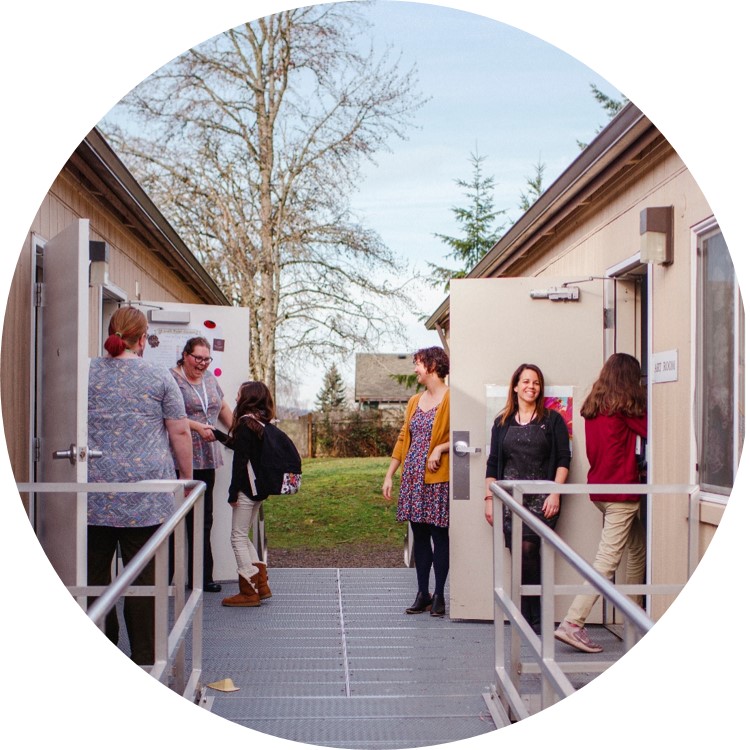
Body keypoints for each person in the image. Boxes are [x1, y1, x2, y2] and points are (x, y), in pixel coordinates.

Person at [87, 306, 193, 665]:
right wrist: (186, 479)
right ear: (142, 339)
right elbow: (179, 432)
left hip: (93, 495)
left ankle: (101, 650)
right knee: (144, 581)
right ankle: (146, 660)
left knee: (92, 580)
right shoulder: (159, 376)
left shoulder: (87, 372)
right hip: (146, 497)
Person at [555, 353, 647, 653]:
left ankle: (633, 612)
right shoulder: (625, 407)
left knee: (637, 547)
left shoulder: (594, 406)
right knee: (607, 560)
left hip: (601, 490)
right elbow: (653, 430)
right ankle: (573, 622)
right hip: (621, 493)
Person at [484, 363, 570, 634]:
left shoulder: (552, 420)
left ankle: (534, 617)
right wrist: (489, 499)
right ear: (515, 386)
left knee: (529, 551)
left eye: (536, 382)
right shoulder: (501, 422)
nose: (531, 387)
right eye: (526, 381)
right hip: (510, 501)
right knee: (519, 554)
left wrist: (556, 492)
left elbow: (564, 459)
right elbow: (493, 463)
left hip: (542, 500)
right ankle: (528, 616)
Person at [382, 346, 450, 617]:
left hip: (437, 479)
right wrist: (390, 474)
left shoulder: (451, 398)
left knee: (439, 536)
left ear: (432, 365)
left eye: (418, 364)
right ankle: (423, 593)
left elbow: (461, 435)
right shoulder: (414, 401)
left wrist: (440, 448)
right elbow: (403, 438)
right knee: (419, 537)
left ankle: (440, 595)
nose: (415, 369)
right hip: (412, 478)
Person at [171, 337, 233, 593]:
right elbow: (170, 417)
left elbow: (222, 407)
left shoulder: (209, 379)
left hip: (207, 458)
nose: (203, 364)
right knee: (175, 519)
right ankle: (166, 578)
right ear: (185, 355)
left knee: (204, 520)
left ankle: (202, 577)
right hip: (179, 458)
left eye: (207, 359)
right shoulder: (172, 380)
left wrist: (240, 434)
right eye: (198, 358)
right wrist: (197, 427)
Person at [214, 381, 275, 607]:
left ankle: (249, 593)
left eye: (239, 394)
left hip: (246, 490)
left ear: (248, 397)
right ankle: (261, 585)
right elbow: (241, 447)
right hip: (259, 490)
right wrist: (217, 435)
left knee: (237, 537)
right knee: (243, 535)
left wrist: (233, 493)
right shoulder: (260, 423)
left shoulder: (244, 423)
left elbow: (240, 462)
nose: (236, 397)